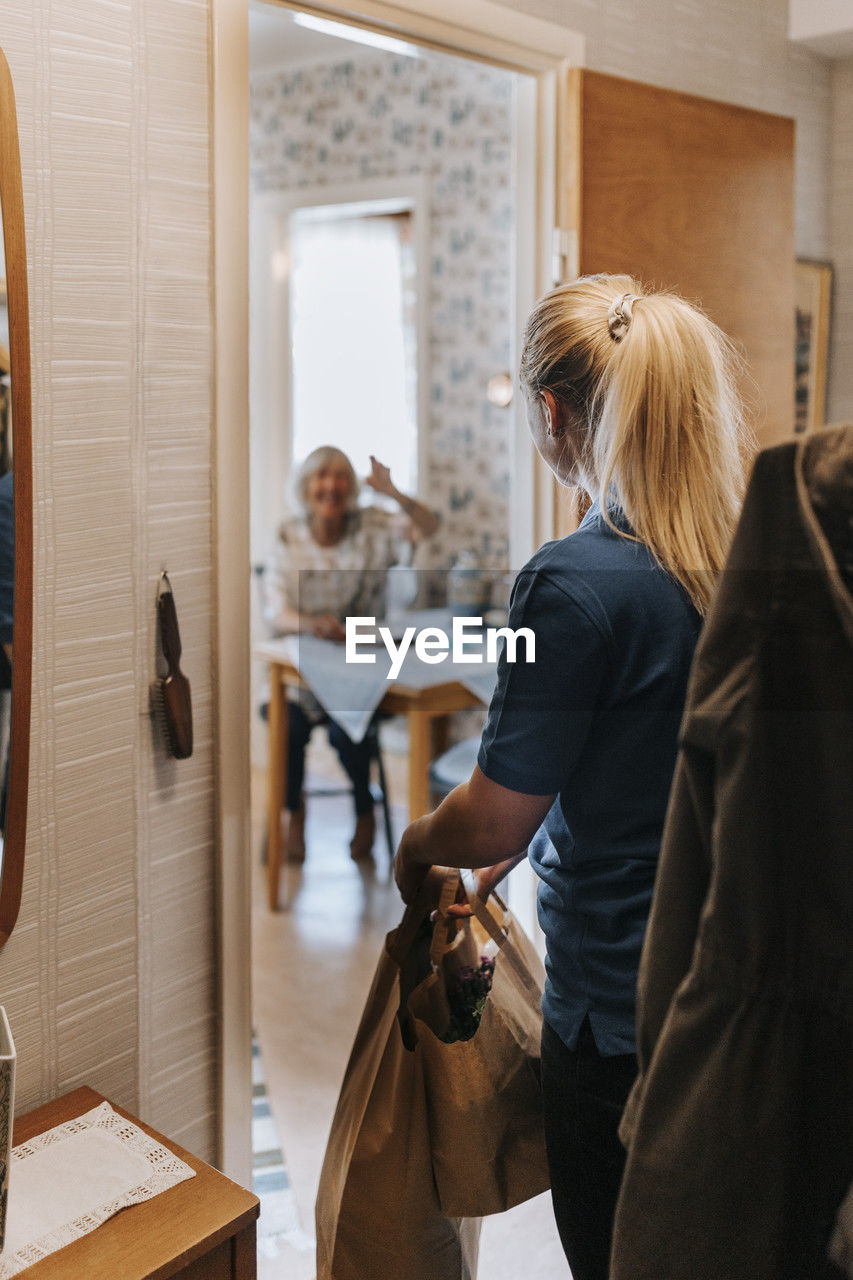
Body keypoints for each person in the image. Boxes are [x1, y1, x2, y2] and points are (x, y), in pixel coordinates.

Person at [394, 274, 749, 1280]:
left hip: (620, 1019)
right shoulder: (742, 558)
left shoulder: (573, 580)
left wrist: (422, 843)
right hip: (737, 1000)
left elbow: (494, 816)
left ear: (550, 413)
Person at [266, 446, 439, 863]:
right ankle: (294, 813)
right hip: (304, 671)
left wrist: (394, 492)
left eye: (341, 476)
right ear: (306, 487)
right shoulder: (289, 535)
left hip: (358, 669)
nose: (331, 485)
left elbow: (429, 527)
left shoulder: (372, 528)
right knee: (287, 725)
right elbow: (276, 611)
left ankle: (365, 811)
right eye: (321, 476)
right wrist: (316, 624)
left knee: (352, 727)